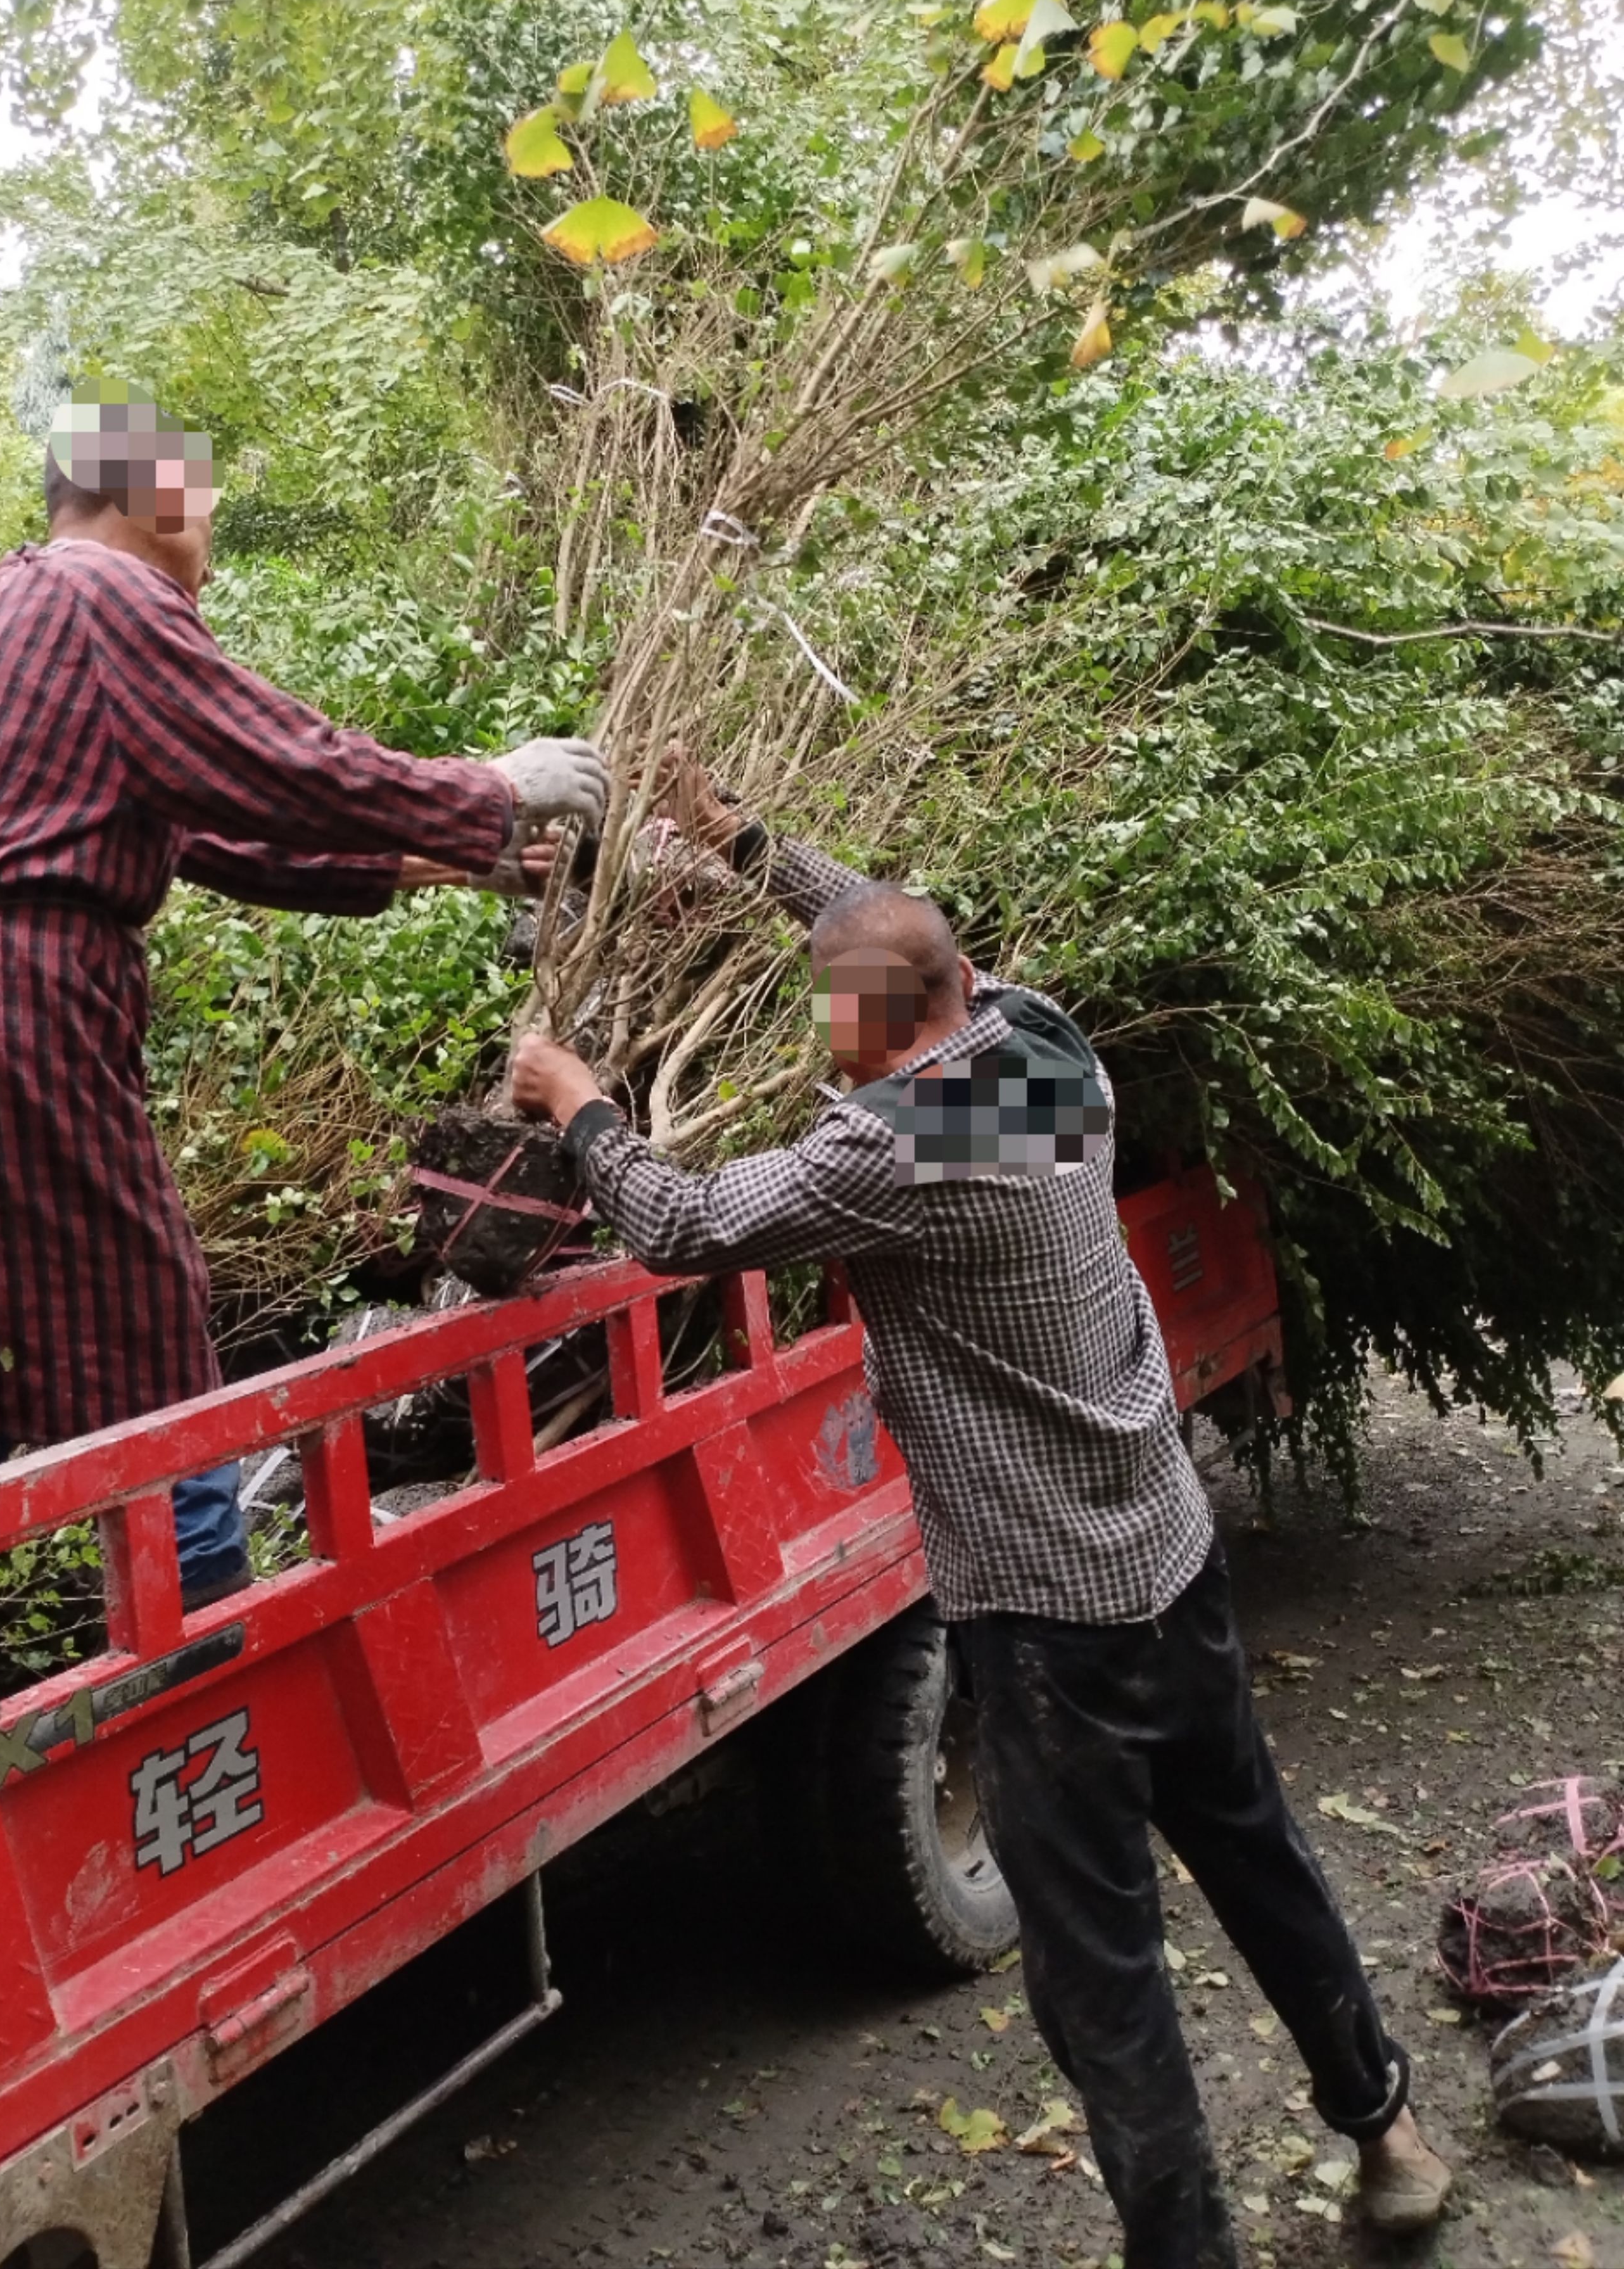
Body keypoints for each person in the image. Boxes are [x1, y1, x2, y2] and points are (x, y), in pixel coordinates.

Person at [509, 750, 1451, 2268]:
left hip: (1047, 1624)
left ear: (872, 1031)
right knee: (1258, 1850)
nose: (824, 1047)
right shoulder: (1041, 1046)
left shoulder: (895, 1150)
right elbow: (892, 930)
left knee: (1104, 1980)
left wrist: (584, 1106)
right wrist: (750, 845)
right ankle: (1389, 2130)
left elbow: (683, 1224)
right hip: (1167, 1550)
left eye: (833, 1025)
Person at [0, 380, 607, 1610]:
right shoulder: (99, 590)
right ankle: (202, 1645)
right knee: (144, 1340)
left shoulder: (18, 612)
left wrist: (453, 854)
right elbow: (273, 757)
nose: (215, 538)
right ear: (155, 493)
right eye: (210, 504)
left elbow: (223, 835)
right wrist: (490, 788)